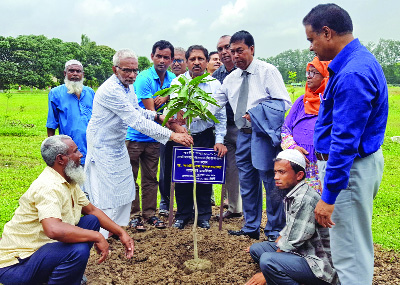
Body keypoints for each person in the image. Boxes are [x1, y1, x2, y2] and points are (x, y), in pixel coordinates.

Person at [303, 4, 388, 284]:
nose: (312, 48)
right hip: (357, 167)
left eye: (312, 39)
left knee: (349, 255)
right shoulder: (359, 62)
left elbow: (345, 140)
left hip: (349, 171)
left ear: (327, 33)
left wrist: (329, 198)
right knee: (354, 246)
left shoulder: (352, 73)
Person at [84, 49, 193, 238]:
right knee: (105, 190)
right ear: (114, 69)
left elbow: (138, 110)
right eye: (127, 70)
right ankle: (100, 233)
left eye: (135, 70)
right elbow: (136, 121)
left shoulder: (128, 86)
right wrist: (171, 135)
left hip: (117, 143)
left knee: (123, 187)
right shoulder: (112, 90)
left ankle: (116, 228)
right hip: (102, 145)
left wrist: (160, 117)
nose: (132, 75)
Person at [0, 135, 134, 285]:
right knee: (78, 251)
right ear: (61, 159)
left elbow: (92, 211)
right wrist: (97, 236)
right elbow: (53, 229)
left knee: (91, 221)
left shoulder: (68, 181)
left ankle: (68, 276)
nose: (80, 154)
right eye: (75, 151)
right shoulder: (48, 187)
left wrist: (121, 233)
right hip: (18, 265)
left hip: (41, 251)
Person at [210, 31, 291, 240]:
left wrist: (255, 113)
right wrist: (188, 112)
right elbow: (212, 105)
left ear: (251, 49)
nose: (235, 56)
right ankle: (251, 226)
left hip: (263, 135)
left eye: (240, 51)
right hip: (242, 135)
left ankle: (274, 229)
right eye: (232, 51)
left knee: (270, 182)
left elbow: (283, 103)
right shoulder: (231, 79)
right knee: (247, 182)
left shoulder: (267, 71)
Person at [246, 149, 338, 285]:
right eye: (275, 172)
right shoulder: (292, 193)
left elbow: (293, 241)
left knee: (268, 261)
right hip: (302, 251)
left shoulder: (303, 199)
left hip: (319, 263)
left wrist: (265, 273)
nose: (276, 177)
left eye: (282, 172)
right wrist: (279, 242)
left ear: (299, 175)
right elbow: (290, 229)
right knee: (257, 249)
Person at [172, 45, 227, 230]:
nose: (197, 62)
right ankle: (182, 215)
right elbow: (172, 113)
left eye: (200, 59)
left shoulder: (214, 85)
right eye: (193, 59)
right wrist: (179, 129)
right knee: (182, 177)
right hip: (183, 136)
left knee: (205, 178)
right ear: (187, 62)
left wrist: (219, 140)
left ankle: (203, 215)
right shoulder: (177, 83)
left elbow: (220, 116)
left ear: (206, 61)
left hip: (205, 136)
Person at [125, 40, 178, 231]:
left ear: (172, 59)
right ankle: (132, 215)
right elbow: (150, 110)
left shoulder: (172, 78)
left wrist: (167, 97)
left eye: (166, 57)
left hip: (155, 138)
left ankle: (149, 214)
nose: (162, 60)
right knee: (131, 178)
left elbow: (177, 99)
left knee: (150, 178)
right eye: (158, 56)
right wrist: (175, 129)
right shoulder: (144, 78)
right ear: (152, 57)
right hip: (135, 137)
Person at [281, 56, 330, 193]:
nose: (309, 77)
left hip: (323, 166)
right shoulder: (301, 101)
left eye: (314, 73)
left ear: (327, 75)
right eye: (308, 72)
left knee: (321, 207)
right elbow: (285, 129)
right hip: (299, 167)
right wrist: (293, 147)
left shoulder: (333, 102)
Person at [213, 35, 242, 220]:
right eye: (220, 49)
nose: (224, 52)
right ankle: (234, 207)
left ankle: (252, 211)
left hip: (246, 127)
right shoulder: (216, 77)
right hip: (225, 127)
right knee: (231, 170)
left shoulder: (245, 70)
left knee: (250, 170)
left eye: (227, 48)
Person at [158, 47, 188, 217]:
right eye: (173, 60)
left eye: (180, 60)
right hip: (167, 131)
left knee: (186, 169)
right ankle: (165, 201)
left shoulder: (191, 80)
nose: (176, 63)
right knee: (166, 167)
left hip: (186, 131)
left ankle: (185, 206)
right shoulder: (167, 78)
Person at [46, 60, 95, 165]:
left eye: (78, 71)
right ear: (65, 73)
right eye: (71, 71)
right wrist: (51, 152)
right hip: (69, 150)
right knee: (72, 180)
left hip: (91, 149)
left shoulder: (90, 92)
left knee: (91, 180)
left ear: (83, 74)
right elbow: (51, 124)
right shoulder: (56, 93)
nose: (75, 74)